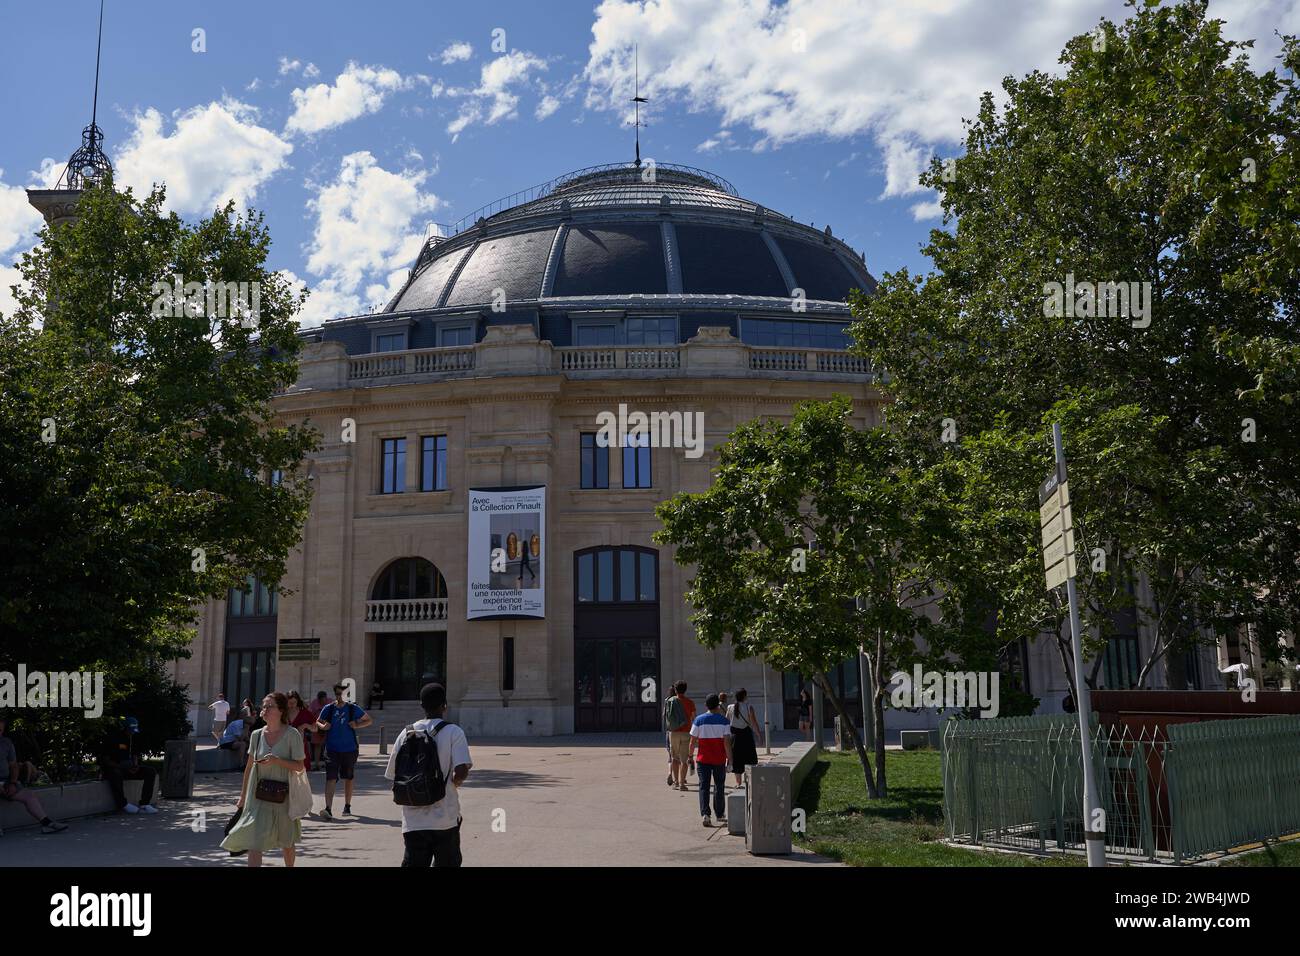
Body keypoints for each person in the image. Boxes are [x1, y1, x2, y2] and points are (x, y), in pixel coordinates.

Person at [383, 682, 472, 867]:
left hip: (413, 820)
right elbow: (462, 769)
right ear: (444, 706)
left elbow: (393, 774)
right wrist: (453, 785)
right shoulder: (454, 732)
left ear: (421, 705)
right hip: (445, 818)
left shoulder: (406, 733)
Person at [221, 693, 305, 867]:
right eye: (263, 706)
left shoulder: (292, 734)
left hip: (284, 796)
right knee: (254, 842)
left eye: (269, 706)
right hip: (258, 795)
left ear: (281, 711)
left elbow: (299, 766)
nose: (264, 710)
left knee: (286, 842)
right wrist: (243, 796)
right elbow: (250, 767)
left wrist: (277, 760)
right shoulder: (257, 735)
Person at [0, 714, 67, 835]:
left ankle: (47, 824)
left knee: (29, 795)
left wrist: (13, 782)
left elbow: (13, 765)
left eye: (0, 730)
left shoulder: (6, 743)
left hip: (5, 781)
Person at [314, 683, 372, 819]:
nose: (341, 697)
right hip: (332, 749)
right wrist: (324, 726)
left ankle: (347, 805)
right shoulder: (328, 709)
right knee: (331, 778)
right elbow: (318, 722)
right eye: (338, 694)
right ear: (335, 694)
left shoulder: (352, 708)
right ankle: (328, 808)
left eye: (344, 694)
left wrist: (357, 724)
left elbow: (369, 720)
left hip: (349, 748)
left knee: (348, 777)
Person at [98, 717, 158, 815]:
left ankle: (145, 803)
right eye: (130, 731)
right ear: (124, 728)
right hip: (115, 768)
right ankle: (123, 804)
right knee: (116, 774)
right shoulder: (113, 739)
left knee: (150, 771)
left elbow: (134, 754)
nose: (132, 733)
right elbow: (106, 760)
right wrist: (121, 767)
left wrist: (135, 766)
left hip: (128, 769)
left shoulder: (132, 739)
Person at [688, 694, 732, 827]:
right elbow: (727, 743)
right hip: (719, 759)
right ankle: (719, 814)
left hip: (703, 759)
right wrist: (730, 759)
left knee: (704, 787)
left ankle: (705, 814)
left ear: (706, 706)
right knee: (719, 786)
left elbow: (692, 742)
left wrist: (690, 756)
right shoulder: (724, 721)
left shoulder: (699, 720)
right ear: (718, 706)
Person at [664, 680, 696, 792]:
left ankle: (676, 782)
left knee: (674, 758)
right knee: (684, 759)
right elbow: (693, 718)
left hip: (673, 732)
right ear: (685, 689)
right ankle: (682, 783)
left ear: (675, 690)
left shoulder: (670, 701)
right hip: (686, 732)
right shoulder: (690, 702)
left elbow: (666, 717)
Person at [727, 688, 761, 787]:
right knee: (749, 757)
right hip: (746, 735)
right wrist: (759, 735)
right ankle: (748, 782)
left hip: (734, 736)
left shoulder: (730, 707)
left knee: (736, 758)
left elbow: (726, 722)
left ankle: (738, 783)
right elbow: (754, 723)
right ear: (745, 696)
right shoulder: (748, 707)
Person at [285, 691, 315, 771]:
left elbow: (315, 728)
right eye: (290, 703)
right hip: (284, 747)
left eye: (294, 702)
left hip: (300, 748)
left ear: (298, 702)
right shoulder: (282, 713)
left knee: (301, 775)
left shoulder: (304, 713)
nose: (292, 705)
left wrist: (306, 726)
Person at [308, 692, 328, 769]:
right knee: (317, 745)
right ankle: (317, 764)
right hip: (317, 726)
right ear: (318, 699)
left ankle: (328, 762)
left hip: (328, 726)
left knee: (328, 745)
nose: (323, 702)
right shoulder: (314, 703)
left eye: (324, 700)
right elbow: (310, 714)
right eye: (322, 701)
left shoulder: (330, 702)